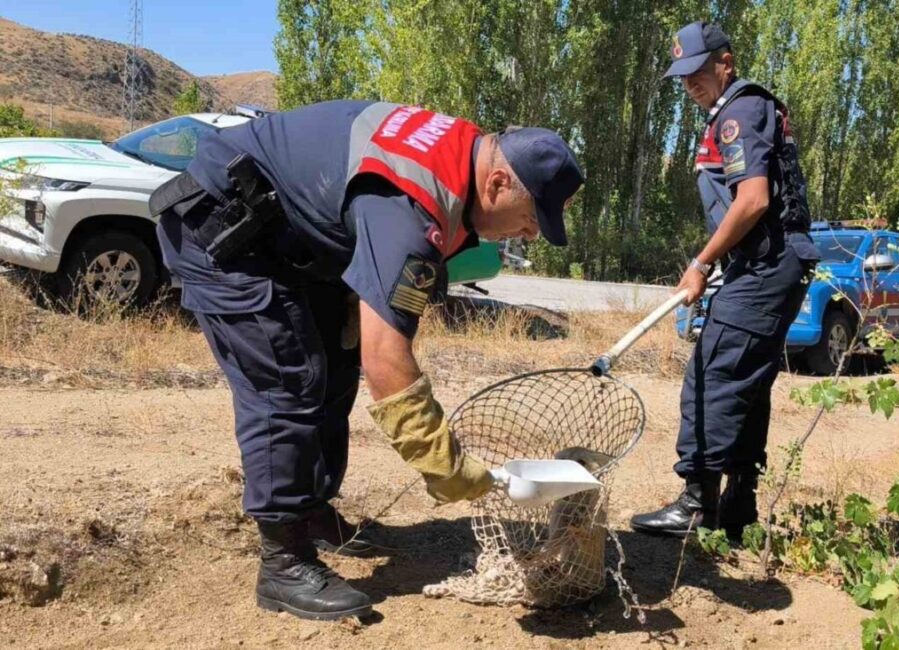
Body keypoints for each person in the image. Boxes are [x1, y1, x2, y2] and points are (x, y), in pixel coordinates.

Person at [150, 100, 584, 621]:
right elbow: (388, 363)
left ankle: (311, 512)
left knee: (337, 358)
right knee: (287, 382)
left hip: (287, 238)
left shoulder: (462, 157)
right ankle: (283, 560)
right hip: (222, 231)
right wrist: (443, 463)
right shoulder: (416, 202)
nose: (531, 235)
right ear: (496, 185)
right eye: (533, 219)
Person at [630, 22, 821, 543]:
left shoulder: (737, 111)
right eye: (682, 77)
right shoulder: (741, 109)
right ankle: (738, 507)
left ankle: (696, 503)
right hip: (767, 263)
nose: (690, 84)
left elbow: (753, 199)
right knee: (745, 380)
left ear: (725, 62)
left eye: (697, 72)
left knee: (712, 373)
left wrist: (701, 261)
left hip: (767, 265)